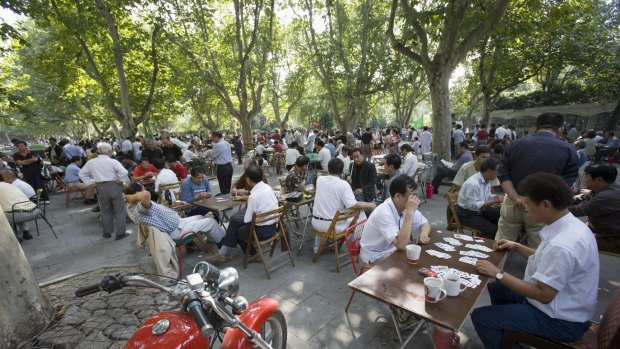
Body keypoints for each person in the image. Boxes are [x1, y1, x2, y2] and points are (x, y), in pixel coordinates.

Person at [471, 172, 599, 349]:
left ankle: (507, 338)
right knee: (498, 288)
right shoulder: (569, 225)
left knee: (481, 317)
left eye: (529, 205)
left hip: (561, 320)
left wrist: (498, 273)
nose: (525, 209)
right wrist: (516, 246)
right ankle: (509, 335)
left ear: (546, 205)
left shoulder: (562, 244)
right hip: (561, 306)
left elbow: (544, 294)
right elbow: (545, 257)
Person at [495, 112, 579, 248]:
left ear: (536, 127)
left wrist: (516, 198)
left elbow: (503, 175)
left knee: (501, 242)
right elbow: (565, 183)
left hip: (513, 201)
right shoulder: (567, 149)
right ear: (560, 129)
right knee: (539, 248)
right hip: (543, 206)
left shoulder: (514, 145)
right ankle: (536, 269)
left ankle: (491, 268)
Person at [124, 182, 226, 263]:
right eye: (142, 189)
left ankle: (213, 239)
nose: (145, 190)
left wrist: (129, 197)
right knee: (211, 222)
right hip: (176, 231)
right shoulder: (139, 207)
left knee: (200, 216)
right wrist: (132, 197)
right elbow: (146, 195)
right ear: (137, 194)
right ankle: (223, 248)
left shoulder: (131, 206)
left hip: (179, 223)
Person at [360, 175, 430, 264]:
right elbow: (401, 245)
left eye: (416, 195)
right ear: (398, 196)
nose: (416, 200)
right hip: (375, 256)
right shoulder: (384, 212)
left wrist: (424, 233)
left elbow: (425, 223)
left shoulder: (405, 206)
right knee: (408, 268)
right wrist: (409, 213)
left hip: (392, 250)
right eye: (413, 196)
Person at [312, 158, 376, 254]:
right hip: (332, 227)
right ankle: (357, 246)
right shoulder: (343, 184)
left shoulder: (319, 180)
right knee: (360, 215)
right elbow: (353, 205)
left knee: (330, 211)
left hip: (315, 223)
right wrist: (370, 205)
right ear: (341, 171)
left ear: (328, 169)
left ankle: (317, 246)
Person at [218, 165, 278, 258]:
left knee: (236, 231)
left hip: (261, 232)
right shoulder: (268, 187)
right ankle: (224, 252)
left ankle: (252, 254)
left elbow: (247, 220)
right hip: (273, 227)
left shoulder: (253, 197)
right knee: (236, 222)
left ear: (248, 179)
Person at [79, 142, 130, 240]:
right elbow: (124, 172)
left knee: (105, 210)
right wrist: (121, 180)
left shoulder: (91, 162)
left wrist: (90, 182)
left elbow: (82, 174)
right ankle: (120, 233)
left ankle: (106, 232)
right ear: (109, 151)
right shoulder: (113, 161)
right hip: (114, 185)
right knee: (119, 211)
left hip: (100, 187)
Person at [569, 164, 620, 253]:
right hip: (599, 230)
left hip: (612, 239)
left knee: (568, 242)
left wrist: (549, 207)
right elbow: (582, 197)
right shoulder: (605, 188)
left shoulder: (606, 197)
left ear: (599, 179)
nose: (584, 179)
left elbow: (577, 211)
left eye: (586, 175)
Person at [456, 158, 504, 239]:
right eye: (496, 170)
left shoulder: (486, 180)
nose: (498, 173)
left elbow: (486, 196)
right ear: (489, 170)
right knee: (492, 230)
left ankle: (499, 243)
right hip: (467, 215)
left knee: (501, 218)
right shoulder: (473, 183)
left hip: (478, 211)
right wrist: (494, 201)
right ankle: (480, 246)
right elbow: (472, 206)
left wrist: (496, 197)